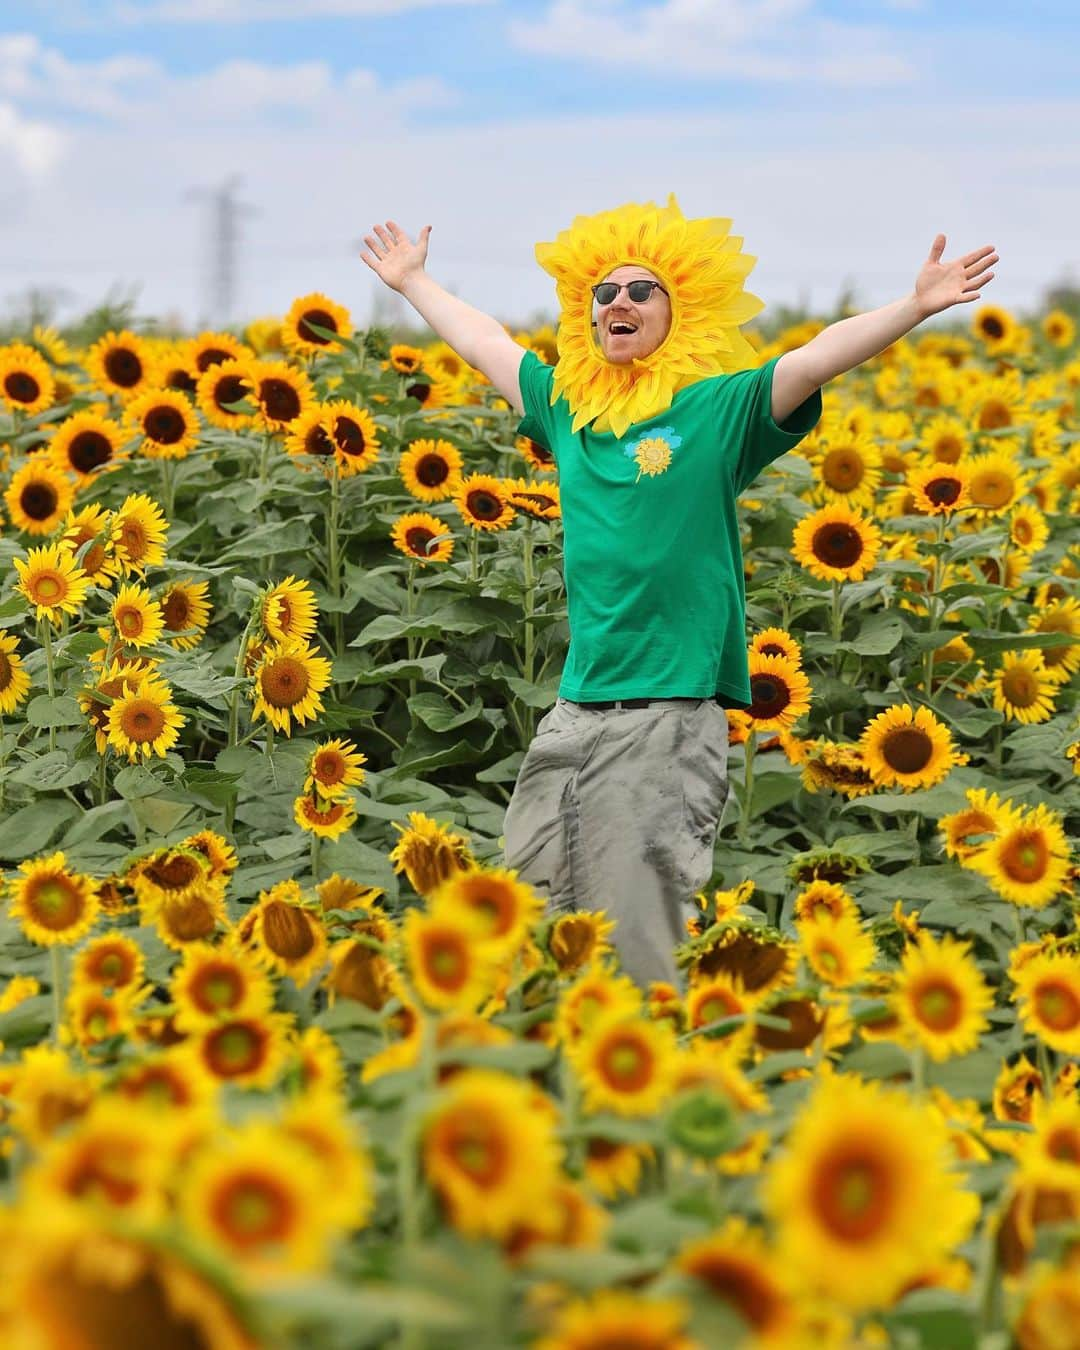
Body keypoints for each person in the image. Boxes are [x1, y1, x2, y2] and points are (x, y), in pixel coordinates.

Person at [360, 198, 998, 989]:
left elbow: (811, 360)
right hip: (576, 708)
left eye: (641, 290)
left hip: (667, 711)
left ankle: (650, 1084)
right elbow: (485, 341)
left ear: (680, 312)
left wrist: (912, 307)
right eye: (603, 293)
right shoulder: (567, 411)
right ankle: (554, 1079)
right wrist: (414, 283)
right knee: (527, 912)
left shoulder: (715, 411)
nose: (617, 301)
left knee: (638, 935)